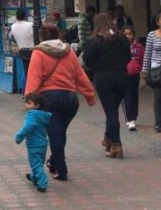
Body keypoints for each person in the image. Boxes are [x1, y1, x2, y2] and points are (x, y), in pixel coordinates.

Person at [23, 23, 96, 181]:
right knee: (60, 132)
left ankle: (61, 169)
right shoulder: (68, 52)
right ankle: (55, 162)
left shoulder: (39, 53)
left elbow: (34, 77)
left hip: (50, 99)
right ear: (58, 35)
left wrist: (29, 99)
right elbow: (80, 74)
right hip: (71, 100)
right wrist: (89, 95)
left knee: (55, 133)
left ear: (41, 36)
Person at [81, 13, 132, 159]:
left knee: (111, 112)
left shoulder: (95, 40)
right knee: (113, 109)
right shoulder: (121, 38)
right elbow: (128, 57)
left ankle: (116, 144)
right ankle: (107, 137)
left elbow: (88, 61)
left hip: (103, 78)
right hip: (121, 77)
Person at [14, 92, 51, 192]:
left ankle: (42, 183)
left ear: (37, 105)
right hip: (42, 143)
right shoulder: (43, 115)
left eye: (29, 103)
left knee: (35, 164)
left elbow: (27, 127)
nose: (26, 105)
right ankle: (34, 177)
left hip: (34, 144)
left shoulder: (32, 116)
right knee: (39, 162)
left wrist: (19, 137)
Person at [122, 25, 144, 132]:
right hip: (124, 75)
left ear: (133, 35)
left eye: (129, 34)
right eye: (125, 34)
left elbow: (142, 59)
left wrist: (142, 70)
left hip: (135, 75)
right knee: (127, 96)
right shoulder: (119, 47)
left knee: (134, 95)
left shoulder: (138, 47)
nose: (127, 36)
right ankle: (130, 119)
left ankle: (134, 116)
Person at [9, 9, 35, 93]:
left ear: (16, 17)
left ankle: (27, 91)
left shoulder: (13, 26)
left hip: (22, 52)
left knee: (27, 72)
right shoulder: (31, 25)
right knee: (35, 72)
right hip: (33, 51)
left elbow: (10, 36)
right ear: (25, 16)